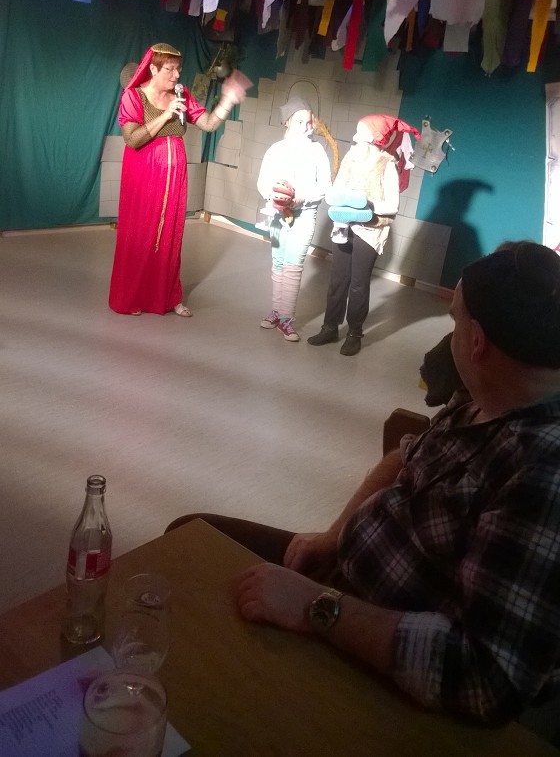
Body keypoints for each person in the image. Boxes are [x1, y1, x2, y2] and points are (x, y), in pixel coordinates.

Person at [226, 242, 560, 725]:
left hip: (370, 645)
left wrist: (317, 606)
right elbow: (403, 457)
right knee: (196, 532)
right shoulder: (489, 397)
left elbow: (484, 679)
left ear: (476, 342)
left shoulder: (543, 472)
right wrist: (334, 536)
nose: (448, 336)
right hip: (342, 580)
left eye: (454, 320)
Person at [109, 42, 246, 316]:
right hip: (144, 173)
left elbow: (208, 124)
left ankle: (168, 296)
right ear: (153, 69)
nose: (176, 75)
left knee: (170, 235)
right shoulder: (133, 97)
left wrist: (227, 101)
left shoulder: (181, 94)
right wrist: (166, 115)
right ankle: (132, 297)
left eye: (178, 69)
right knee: (141, 234)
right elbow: (132, 139)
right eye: (170, 69)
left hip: (174, 176)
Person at [308, 114, 407, 356]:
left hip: (369, 230)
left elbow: (392, 205)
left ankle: (354, 333)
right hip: (344, 226)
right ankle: (330, 327)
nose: (355, 135)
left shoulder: (387, 164)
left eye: (361, 130)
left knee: (359, 284)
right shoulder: (351, 158)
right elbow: (338, 188)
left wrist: (365, 206)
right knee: (337, 280)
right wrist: (337, 198)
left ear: (375, 136)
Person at [256, 97, 331, 341]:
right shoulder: (276, 150)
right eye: (300, 121)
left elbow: (325, 186)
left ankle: (287, 319)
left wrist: (300, 198)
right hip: (277, 215)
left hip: (305, 214)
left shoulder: (317, 150)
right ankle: (277, 312)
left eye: (309, 122)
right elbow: (263, 182)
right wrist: (274, 197)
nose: (306, 127)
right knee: (278, 263)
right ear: (287, 121)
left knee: (293, 265)